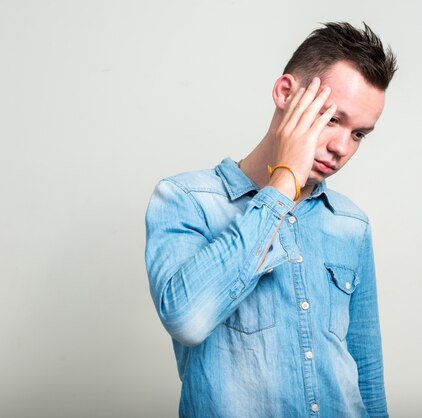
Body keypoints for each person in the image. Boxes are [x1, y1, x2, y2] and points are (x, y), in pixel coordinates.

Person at [145, 21, 397, 417]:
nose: (341, 148)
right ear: (285, 93)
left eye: (359, 134)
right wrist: (283, 186)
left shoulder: (351, 224)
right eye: (331, 119)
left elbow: (366, 370)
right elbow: (187, 320)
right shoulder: (186, 200)